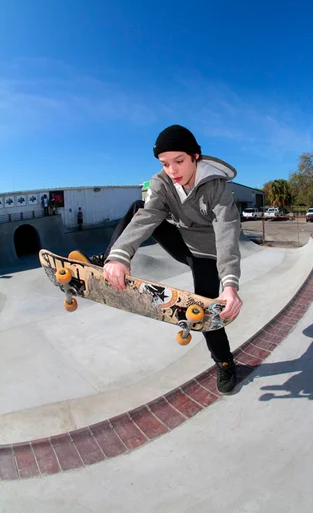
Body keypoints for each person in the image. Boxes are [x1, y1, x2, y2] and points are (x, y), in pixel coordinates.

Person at [84, 125, 243, 393]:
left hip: (208, 255)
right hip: (181, 243)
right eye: (165, 164)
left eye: (179, 161)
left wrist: (230, 285)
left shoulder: (217, 187)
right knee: (140, 208)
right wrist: (121, 256)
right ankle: (111, 259)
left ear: (195, 156)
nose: (173, 171)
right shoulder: (162, 182)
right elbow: (149, 216)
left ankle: (225, 362)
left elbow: (227, 231)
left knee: (208, 313)